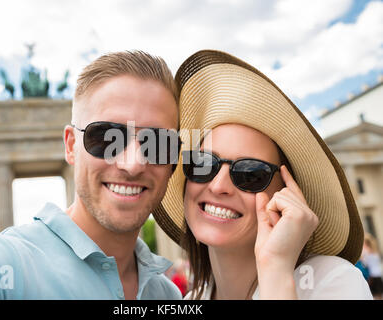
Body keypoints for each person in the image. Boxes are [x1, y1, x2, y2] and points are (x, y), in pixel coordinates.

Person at [0, 51, 182, 300]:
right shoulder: (4, 264)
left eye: (157, 143)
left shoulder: (167, 294)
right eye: (107, 138)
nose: (133, 164)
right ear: (71, 145)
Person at [152, 49, 373, 300]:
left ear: (288, 198)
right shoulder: (192, 299)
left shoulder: (332, 280)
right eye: (203, 164)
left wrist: (275, 268)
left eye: (251, 174)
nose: (219, 185)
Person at [362, 233, 383, 299]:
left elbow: (365, 264)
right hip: (378, 275)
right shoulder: (375, 252)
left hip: (372, 277)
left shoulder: (367, 252)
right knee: (379, 295)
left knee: (374, 295)